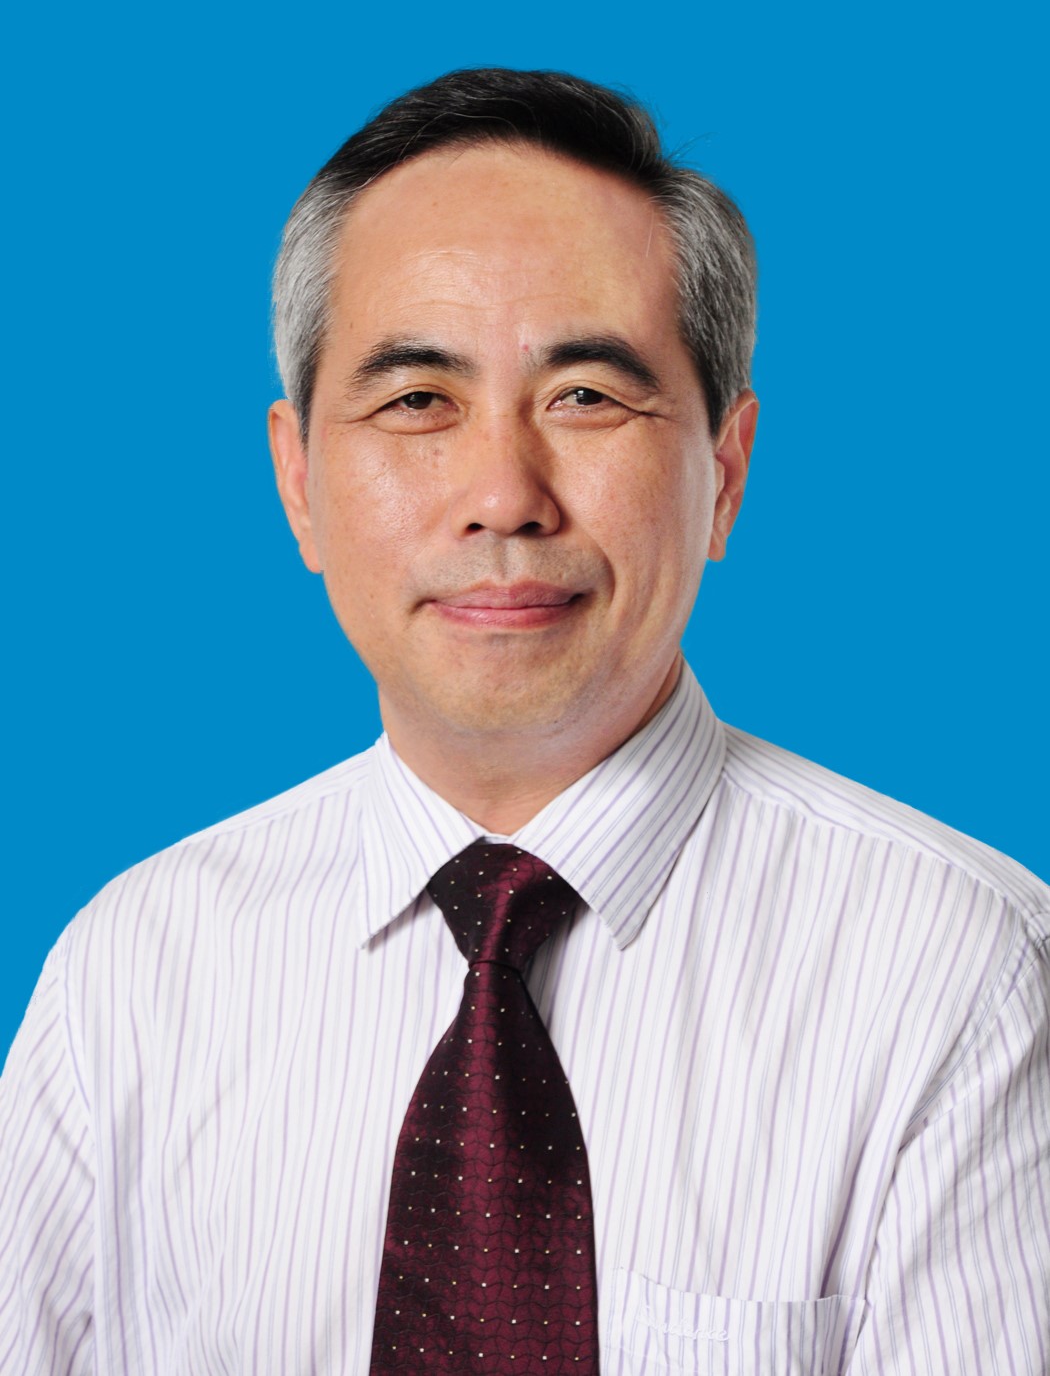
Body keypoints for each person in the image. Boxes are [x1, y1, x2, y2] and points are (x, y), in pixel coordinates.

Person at [0, 68, 1046, 1376]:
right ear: (298, 481)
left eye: (587, 397)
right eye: (416, 401)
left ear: (724, 473)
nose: (503, 495)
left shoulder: (958, 974)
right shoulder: (129, 979)